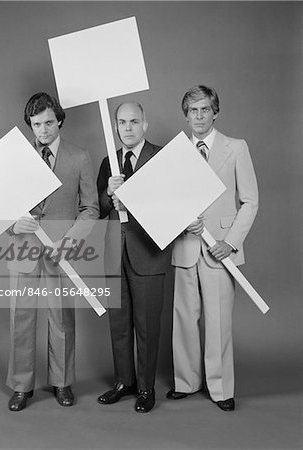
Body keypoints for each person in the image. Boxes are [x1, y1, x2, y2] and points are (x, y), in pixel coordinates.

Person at [5, 92, 99, 411]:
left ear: (59, 120)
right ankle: (21, 386)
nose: (43, 130)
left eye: (48, 122)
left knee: (61, 319)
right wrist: (12, 225)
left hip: (62, 251)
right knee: (21, 319)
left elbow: (90, 208)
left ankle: (61, 383)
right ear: (29, 125)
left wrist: (71, 241)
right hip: (23, 250)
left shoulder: (79, 157)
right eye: (36, 124)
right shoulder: (17, 159)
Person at [167, 85, 258, 411]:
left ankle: (221, 389)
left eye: (205, 109)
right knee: (184, 320)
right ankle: (187, 382)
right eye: (193, 110)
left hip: (220, 249)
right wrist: (179, 221)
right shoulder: (176, 153)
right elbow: (165, 203)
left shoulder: (236, 148)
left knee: (218, 322)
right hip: (186, 246)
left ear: (215, 112)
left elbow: (250, 201)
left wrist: (230, 243)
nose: (199, 116)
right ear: (186, 115)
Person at [96, 102, 170, 413]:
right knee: (119, 323)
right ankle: (124, 381)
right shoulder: (108, 162)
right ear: (115, 126)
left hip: (148, 251)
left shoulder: (162, 157)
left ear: (145, 124)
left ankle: (145, 387)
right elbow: (99, 210)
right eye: (122, 122)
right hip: (115, 252)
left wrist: (136, 196)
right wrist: (109, 195)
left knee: (147, 324)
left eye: (134, 121)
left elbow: (170, 206)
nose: (128, 128)